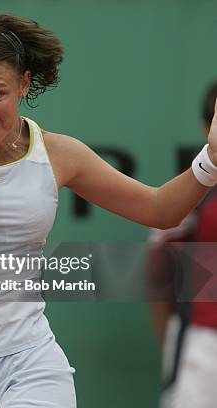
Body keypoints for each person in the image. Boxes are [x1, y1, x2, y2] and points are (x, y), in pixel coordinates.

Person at [0, 13, 217, 408]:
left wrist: (211, 159)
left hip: (28, 355)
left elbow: (160, 209)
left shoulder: (58, 154)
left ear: (23, 84)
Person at [147, 81, 217, 408]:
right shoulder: (193, 196)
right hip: (203, 346)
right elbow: (158, 276)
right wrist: (172, 348)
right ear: (208, 128)